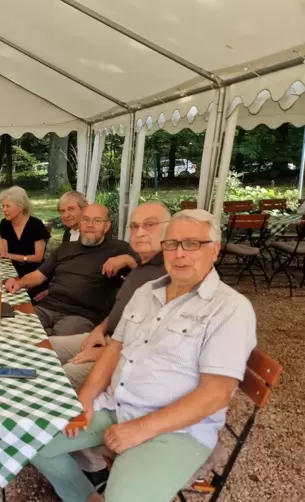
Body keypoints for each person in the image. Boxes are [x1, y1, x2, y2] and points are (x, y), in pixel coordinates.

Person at [30, 209, 257, 502]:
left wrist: (139, 429)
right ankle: (87, 497)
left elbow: (215, 395)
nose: (179, 254)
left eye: (192, 244)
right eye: (171, 244)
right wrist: (86, 396)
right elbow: (115, 348)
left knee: (124, 497)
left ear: (214, 250)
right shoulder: (147, 291)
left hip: (176, 429)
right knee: (31, 441)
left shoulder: (230, 309)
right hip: (116, 406)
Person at [50, 201, 171, 390]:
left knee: (62, 375)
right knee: (41, 349)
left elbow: (160, 343)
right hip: (107, 337)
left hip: (124, 355)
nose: (140, 232)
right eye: (134, 226)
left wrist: (106, 352)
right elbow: (122, 308)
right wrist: (99, 329)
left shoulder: (170, 273)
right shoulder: (141, 265)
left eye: (149, 225)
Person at [6, 204, 137, 337]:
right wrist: (18, 283)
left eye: (97, 221)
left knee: (50, 344)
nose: (90, 225)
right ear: (80, 223)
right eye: (86, 219)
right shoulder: (65, 248)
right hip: (47, 307)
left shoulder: (119, 249)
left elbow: (149, 272)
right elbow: (39, 276)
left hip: (81, 315)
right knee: (11, 329)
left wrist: (128, 260)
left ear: (106, 226)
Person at [0, 186, 51, 300]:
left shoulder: (36, 225)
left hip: (33, 275)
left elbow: (38, 257)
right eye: (3, 206)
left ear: (20, 207)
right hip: (11, 272)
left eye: (7, 206)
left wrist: (13, 256)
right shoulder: (5, 224)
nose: (3, 210)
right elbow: (2, 253)